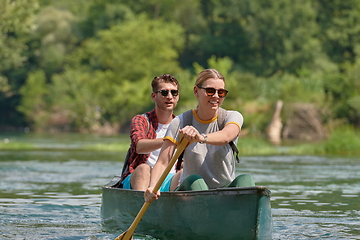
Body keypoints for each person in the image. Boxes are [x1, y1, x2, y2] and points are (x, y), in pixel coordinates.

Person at [144, 69, 255, 202]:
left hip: (223, 193)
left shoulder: (232, 117)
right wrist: (152, 187)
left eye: (221, 92)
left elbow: (226, 136)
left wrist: (200, 137)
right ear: (196, 91)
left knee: (246, 180)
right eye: (210, 91)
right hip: (190, 192)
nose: (216, 96)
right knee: (195, 180)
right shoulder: (180, 122)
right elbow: (163, 162)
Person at [121, 74, 181, 191]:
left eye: (174, 93)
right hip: (141, 178)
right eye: (164, 93)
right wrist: (168, 140)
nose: (169, 97)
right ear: (154, 96)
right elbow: (139, 146)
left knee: (186, 173)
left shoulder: (182, 123)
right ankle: (141, 203)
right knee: (144, 168)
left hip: (169, 178)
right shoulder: (142, 120)